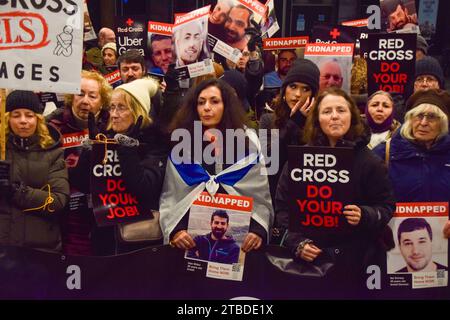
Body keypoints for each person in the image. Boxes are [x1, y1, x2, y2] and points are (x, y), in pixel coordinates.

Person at [275, 88, 396, 287]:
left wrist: (365, 215)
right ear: (317, 120)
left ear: (352, 116)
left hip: (356, 264)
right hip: (309, 265)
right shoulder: (299, 159)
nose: (334, 116)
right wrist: (297, 243)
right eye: (326, 111)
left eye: (341, 110)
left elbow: (387, 206)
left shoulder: (369, 161)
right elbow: (283, 208)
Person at [160, 78, 273, 255]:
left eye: (214, 101)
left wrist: (257, 231)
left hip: (239, 246)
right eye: (201, 102)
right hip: (190, 244)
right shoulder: (182, 145)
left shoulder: (247, 142)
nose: (206, 107)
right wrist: (176, 231)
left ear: (226, 105)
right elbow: (172, 196)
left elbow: (259, 195)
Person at [72, 78, 168, 254]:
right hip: (104, 238)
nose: (114, 114)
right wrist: (92, 149)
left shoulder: (156, 144)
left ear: (139, 112)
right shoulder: (106, 137)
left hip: (140, 243)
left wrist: (128, 149)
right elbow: (82, 184)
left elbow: (144, 187)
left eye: (121, 107)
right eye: (112, 107)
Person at [46, 70, 112, 256]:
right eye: (80, 93)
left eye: (92, 96)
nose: (85, 101)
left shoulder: (111, 124)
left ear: (102, 101)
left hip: (103, 207)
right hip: (64, 207)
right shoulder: (52, 125)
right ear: (70, 96)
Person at [0, 91, 69, 252]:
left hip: (40, 251)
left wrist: (16, 192)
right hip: (4, 249)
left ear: (38, 119)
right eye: (16, 115)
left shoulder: (53, 152)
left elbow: (57, 201)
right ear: (7, 119)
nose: (23, 121)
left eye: (29, 115)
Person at [259, 59, 319, 205]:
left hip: (309, 197)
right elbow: (269, 163)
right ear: (284, 90)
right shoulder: (268, 120)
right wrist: (294, 123)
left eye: (306, 89)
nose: (298, 94)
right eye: (293, 86)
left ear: (313, 95)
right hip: (275, 195)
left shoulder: (320, 123)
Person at [374, 89, 450, 202]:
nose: (423, 123)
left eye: (432, 117)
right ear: (410, 119)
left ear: (443, 123)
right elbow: (369, 200)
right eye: (419, 116)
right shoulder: (384, 153)